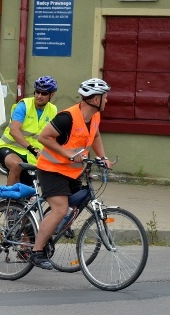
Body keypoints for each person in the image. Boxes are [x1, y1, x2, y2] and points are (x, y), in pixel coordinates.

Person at [29, 78, 113, 270]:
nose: (107, 100)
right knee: (60, 209)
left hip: (72, 171)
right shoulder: (67, 117)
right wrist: (67, 154)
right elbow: (44, 137)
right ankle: (37, 251)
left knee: (74, 205)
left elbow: (96, 136)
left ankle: (43, 228)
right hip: (51, 170)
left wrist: (103, 157)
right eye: (105, 97)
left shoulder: (94, 117)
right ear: (94, 99)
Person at [0, 76, 58, 185]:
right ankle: (8, 200)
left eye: (44, 93)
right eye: (37, 92)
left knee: (30, 195)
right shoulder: (24, 105)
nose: (39, 96)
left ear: (51, 95)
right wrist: (32, 148)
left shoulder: (53, 110)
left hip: (31, 155)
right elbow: (13, 130)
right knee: (16, 165)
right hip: (9, 147)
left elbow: (54, 135)